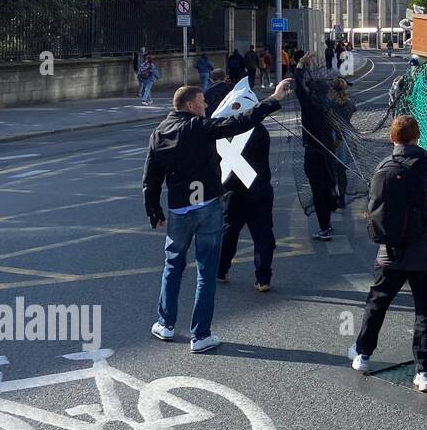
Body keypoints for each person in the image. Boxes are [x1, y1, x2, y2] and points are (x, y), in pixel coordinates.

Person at [143, 78, 292, 352]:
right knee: (205, 270)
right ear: (190, 105)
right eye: (202, 101)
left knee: (172, 265)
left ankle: (165, 324)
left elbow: (151, 178)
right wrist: (274, 99)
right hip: (207, 207)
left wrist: (154, 210)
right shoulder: (198, 127)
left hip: (179, 209)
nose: (207, 105)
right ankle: (200, 336)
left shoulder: (159, 133)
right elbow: (239, 122)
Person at [349, 114, 427, 392]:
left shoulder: (383, 166)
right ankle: (425, 372)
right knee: (426, 310)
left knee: (378, 302)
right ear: (418, 137)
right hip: (426, 252)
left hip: (390, 252)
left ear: (392, 138)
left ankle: (363, 353)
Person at [216, 91, 276, 293]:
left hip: (234, 192)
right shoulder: (261, 131)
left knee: (229, 233)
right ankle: (263, 278)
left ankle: (221, 270)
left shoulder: (227, 133)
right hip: (259, 188)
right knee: (263, 235)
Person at [293, 54, 337, 240]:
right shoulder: (328, 106)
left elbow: (299, 86)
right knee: (327, 187)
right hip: (329, 152)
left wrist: (301, 65)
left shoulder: (310, 105)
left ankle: (324, 227)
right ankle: (328, 220)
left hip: (314, 152)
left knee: (318, 191)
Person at [328, 78, 355, 208]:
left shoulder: (330, 103)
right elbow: (352, 111)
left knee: (331, 170)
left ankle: (334, 196)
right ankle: (342, 198)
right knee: (341, 170)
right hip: (346, 138)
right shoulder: (349, 103)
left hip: (333, 136)